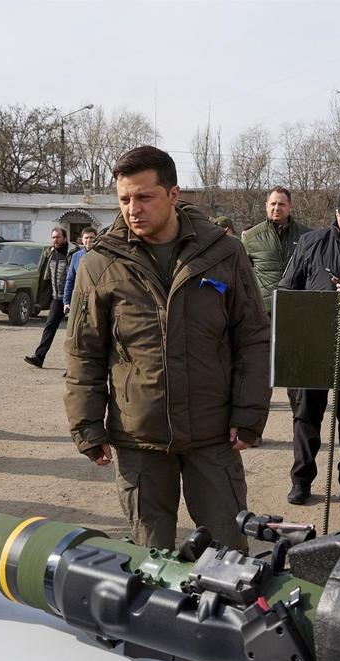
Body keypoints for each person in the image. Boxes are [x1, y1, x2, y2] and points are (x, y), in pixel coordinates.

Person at [65, 145, 270, 551]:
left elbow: (253, 338)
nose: (132, 209)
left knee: (228, 553)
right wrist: (87, 426)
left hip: (212, 437)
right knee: (149, 561)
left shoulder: (223, 253)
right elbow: (84, 352)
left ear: (173, 195)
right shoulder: (100, 265)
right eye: (124, 199)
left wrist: (248, 413)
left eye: (144, 197)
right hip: (139, 438)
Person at [277, 187, 340, 505]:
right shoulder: (310, 243)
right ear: (337, 215)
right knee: (306, 414)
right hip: (312, 342)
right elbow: (286, 291)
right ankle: (301, 479)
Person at [241, 187, 312, 312]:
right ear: (266, 206)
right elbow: (240, 274)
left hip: (298, 307)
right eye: (273, 204)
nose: (277, 208)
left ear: (290, 206)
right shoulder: (250, 237)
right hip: (263, 310)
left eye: (282, 204)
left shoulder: (307, 236)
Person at [24, 227, 72, 368]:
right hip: (56, 299)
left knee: (75, 333)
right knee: (49, 327)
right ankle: (39, 357)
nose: (55, 240)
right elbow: (46, 278)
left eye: (57, 237)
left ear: (64, 238)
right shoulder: (50, 254)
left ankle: (74, 366)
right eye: (53, 237)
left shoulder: (71, 254)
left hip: (72, 299)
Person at [62, 227, 96, 315]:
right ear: (82, 240)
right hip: (81, 296)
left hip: (97, 297)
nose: (89, 240)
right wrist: (66, 301)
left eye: (92, 238)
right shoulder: (76, 256)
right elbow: (70, 279)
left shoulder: (101, 255)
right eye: (86, 238)